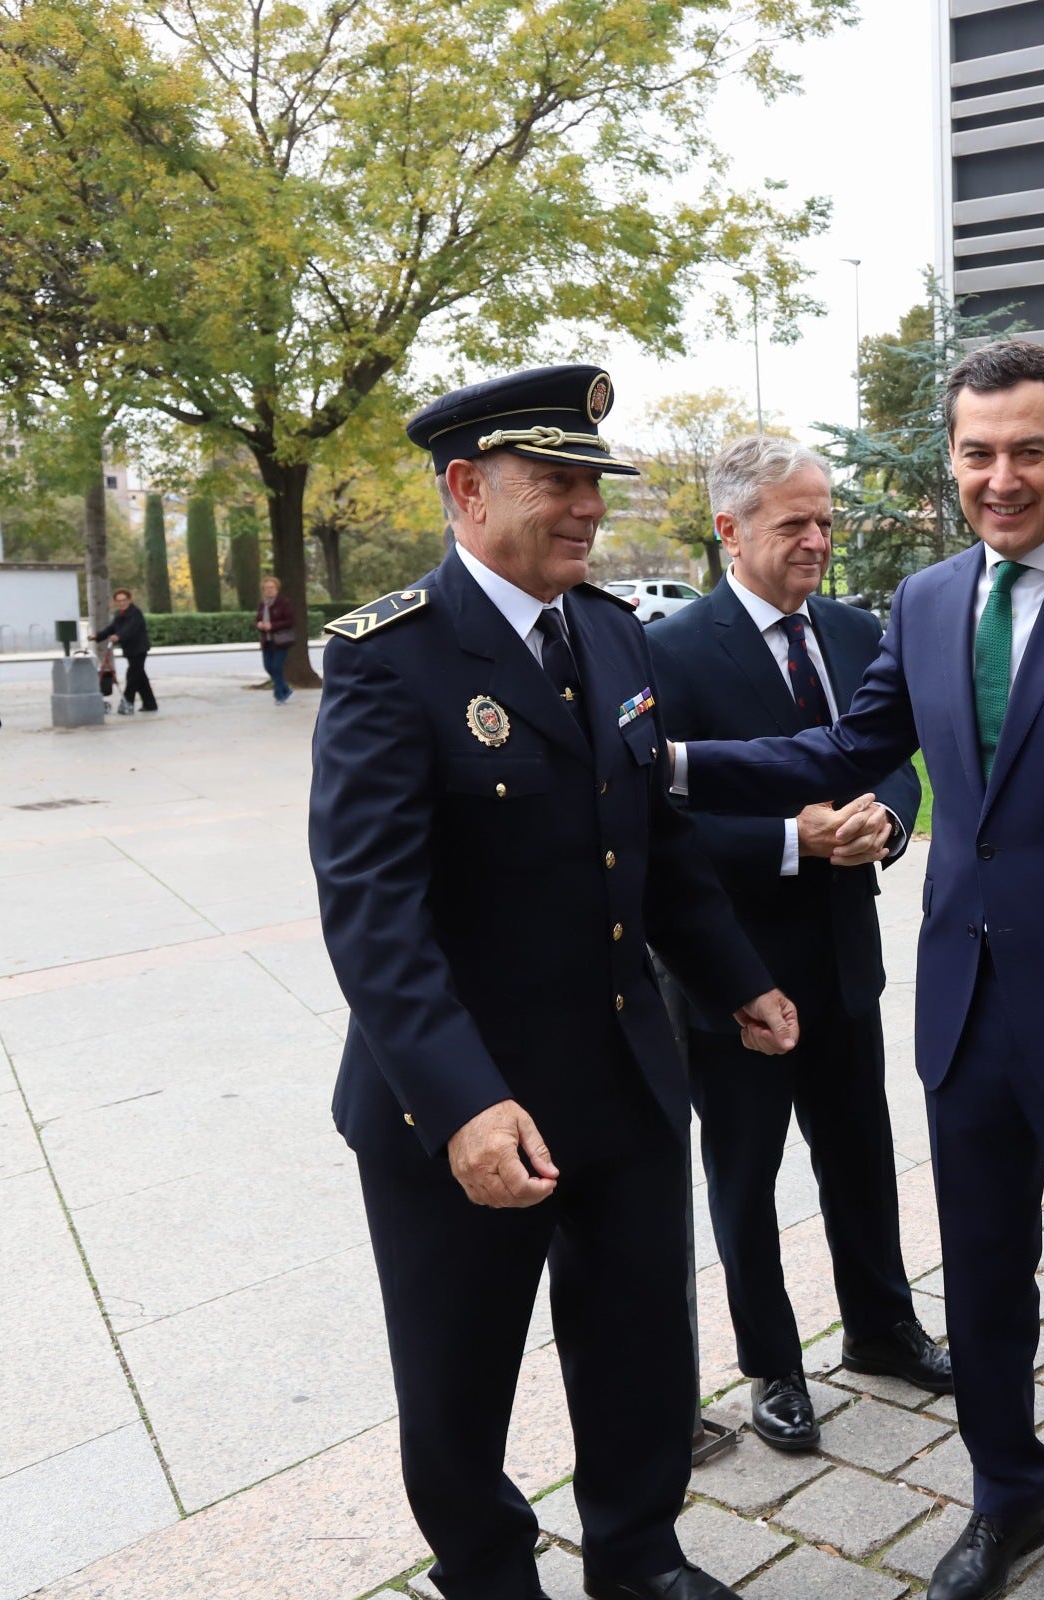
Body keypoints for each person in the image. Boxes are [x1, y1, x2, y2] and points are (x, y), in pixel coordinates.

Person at [669, 341, 1044, 1600]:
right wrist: (681, 766)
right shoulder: (926, 601)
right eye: (977, 453)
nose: (1001, 477)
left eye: (1028, 449)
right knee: (979, 1279)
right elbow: (846, 743)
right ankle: (1007, 1501)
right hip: (963, 1015)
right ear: (953, 458)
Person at [309, 363, 800, 1600]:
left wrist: (736, 976)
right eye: (558, 483)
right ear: (468, 490)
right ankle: (487, 1574)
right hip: (463, 1103)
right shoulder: (389, 660)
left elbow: (657, 843)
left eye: (594, 482)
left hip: (625, 1073)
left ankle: (637, 1557)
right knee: (459, 1379)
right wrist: (463, 1101)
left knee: (641, 1347)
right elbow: (373, 913)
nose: (588, 507)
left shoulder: (612, 631)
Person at [647, 435, 946, 1456]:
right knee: (745, 1177)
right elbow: (658, 828)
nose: (819, 538)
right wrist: (790, 840)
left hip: (843, 958)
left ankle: (881, 1328)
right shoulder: (671, 650)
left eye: (826, 519)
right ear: (729, 530)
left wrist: (889, 819)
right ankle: (775, 1364)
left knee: (861, 1155)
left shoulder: (861, 629)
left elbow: (896, 750)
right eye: (795, 524)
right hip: (728, 975)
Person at [92, 588, 156, 714]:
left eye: (124, 600)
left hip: (139, 649)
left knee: (132, 675)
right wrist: (97, 636)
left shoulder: (135, 613)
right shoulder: (119, 614)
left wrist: (119, 636)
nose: (122, 603)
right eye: (119, 601)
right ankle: (150, 704)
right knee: (140, 676)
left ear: (129, 600)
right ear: (115, 602)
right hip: (130, 649)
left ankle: (127, 703)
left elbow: (130, 629)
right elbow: (111, 628)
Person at [255, 575, 298, 703]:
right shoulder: (263, 604)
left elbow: (290, 621)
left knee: (277, 667)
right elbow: (258, 618)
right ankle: (286, 689)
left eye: (271, 587)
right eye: (266, 588)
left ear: (277, 589)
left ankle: (279, 695)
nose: (269, 590)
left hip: (280, 641)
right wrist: (259, 624)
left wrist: (273, 625)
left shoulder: (284, 603)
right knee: (268, 666)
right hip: (266, 640)